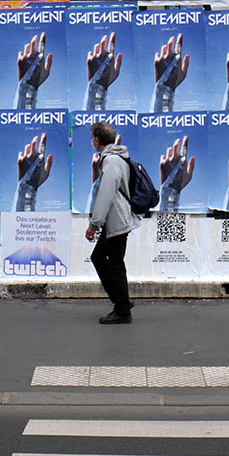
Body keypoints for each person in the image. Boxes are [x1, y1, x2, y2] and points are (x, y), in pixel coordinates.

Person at [85, 121, 140, 324]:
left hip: (117, 221)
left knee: (115, 263)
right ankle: (121, 300)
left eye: (92, 137)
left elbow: (106, 193)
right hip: (115, 220)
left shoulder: (110, 161)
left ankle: (122, 310)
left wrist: (94, 224)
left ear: (96, 140)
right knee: (99, 257)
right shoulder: (117, 158)